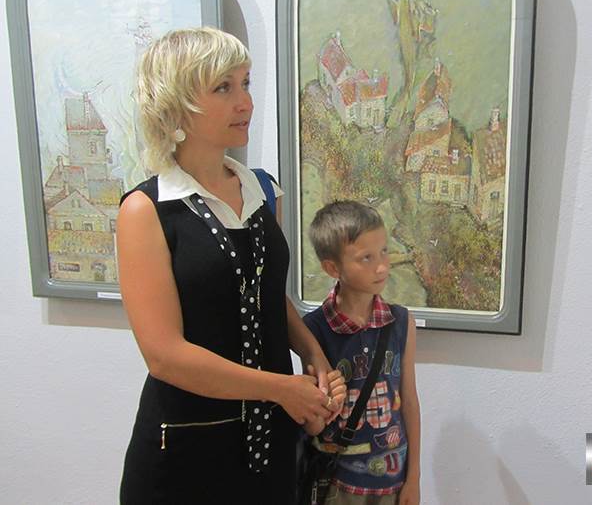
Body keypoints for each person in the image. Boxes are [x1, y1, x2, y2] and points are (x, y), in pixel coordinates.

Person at [117, 26, 346, 504]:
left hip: (270, 445)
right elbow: (165, 356)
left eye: (246, 83)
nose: (245, 102)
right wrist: (282, 389)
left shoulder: (262, 190)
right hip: (185, 452)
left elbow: (265, 295)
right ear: (176, 103)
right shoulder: (147, 210)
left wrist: (312, 354)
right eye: (224, 87)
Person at [303, 201, 421, 505]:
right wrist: (323, 408)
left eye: (384, 251)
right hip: (338, 482)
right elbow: (313, 421)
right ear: (332, 268)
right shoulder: (314, 329)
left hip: (392, 479)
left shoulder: (401, 322)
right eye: (366, 258)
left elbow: (409, 400)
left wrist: (414, 477)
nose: (381, 266)